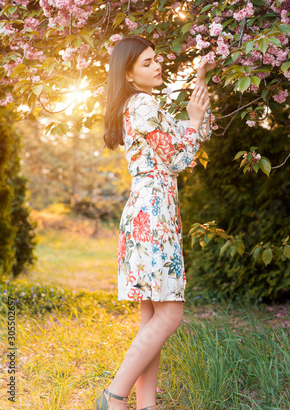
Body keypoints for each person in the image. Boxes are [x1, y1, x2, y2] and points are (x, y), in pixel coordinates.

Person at [97, 35, 214, 410]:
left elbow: (189, 137)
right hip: (154, 213)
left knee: (151, 318)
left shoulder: (142, 105)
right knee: (170, 315)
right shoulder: (144, 104)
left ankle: (146, 405)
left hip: (149, 209)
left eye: (155, 59)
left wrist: (200, 81)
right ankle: (114, 397)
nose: (157, 65)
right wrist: (194, 122)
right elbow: (181, 158)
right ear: (129, 74)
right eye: (147, 63)